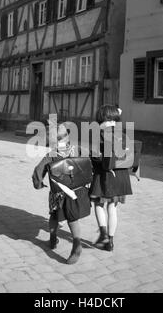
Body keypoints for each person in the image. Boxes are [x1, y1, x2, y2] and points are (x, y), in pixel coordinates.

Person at [32, 124, 91, 264]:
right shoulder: (78, 150)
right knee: (73, 219)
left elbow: (38, 172)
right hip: (75, 191)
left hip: (57, 193)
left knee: (53, 215)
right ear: (68, 136)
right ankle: (76, 244)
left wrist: (39, 184)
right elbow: (90, 164)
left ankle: (52, 239)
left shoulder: (51, 155)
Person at [90, 105, 136, 252]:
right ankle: (110, 241)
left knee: (98, 204)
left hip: (104, 175)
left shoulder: (99, 134)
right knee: (112, 208)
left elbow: (96, 156)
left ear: (101, 119)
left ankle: (103, 234)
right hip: (121, 175)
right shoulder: (123, 134)